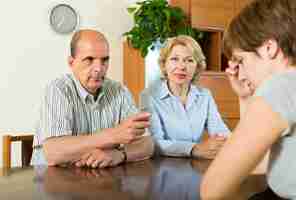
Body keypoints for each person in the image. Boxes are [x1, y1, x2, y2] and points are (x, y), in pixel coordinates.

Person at [200, 0, 296, 199]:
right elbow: (263, 162)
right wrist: (245, 98)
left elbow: (212, 190)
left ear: (269, 48)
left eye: (241, 60)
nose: (241, 75)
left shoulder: (280, 87)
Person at [31, 29, 154, 168]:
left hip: (96, 181)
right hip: (52, 183)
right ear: (71, 62)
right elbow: (53, 153)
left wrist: (120, 154)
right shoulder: (58, 89)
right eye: (89, 60)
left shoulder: (119, 91)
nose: (99, 68)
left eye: (104, 60)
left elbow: (147, 144)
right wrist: (113, 136)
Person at [140, 35, 229, 159]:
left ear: (197, 67)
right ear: (164, 64)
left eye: (189, 60)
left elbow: (220, 131)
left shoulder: (205, 95)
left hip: (197, 166)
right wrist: (194, 149)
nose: (182, 66)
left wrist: (225, 142)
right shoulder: (149, 96)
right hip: (164, 167)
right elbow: (154, 143)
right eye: (175, 59)